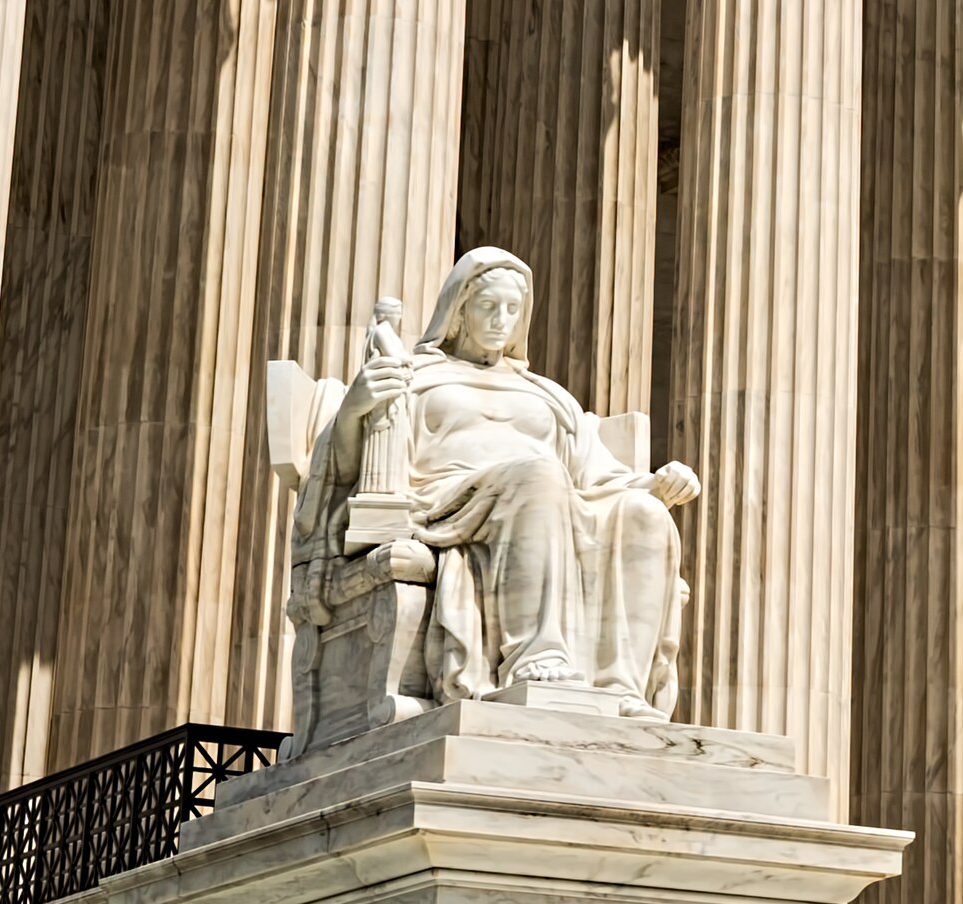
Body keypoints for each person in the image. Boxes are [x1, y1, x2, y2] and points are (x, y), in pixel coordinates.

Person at [292, 247, 696, 711]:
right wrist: (355, 409)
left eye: (512, 309)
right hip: (446, 502)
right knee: (539, 477)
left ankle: (618, 688)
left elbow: (598, 475)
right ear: (459, 309)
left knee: (644, 515)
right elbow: (349, 469)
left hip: (550, 505)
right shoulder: (419, 375)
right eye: (488, 306)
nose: (501, 319)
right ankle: (535, 655)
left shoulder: (548, 395)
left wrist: (657, 485)